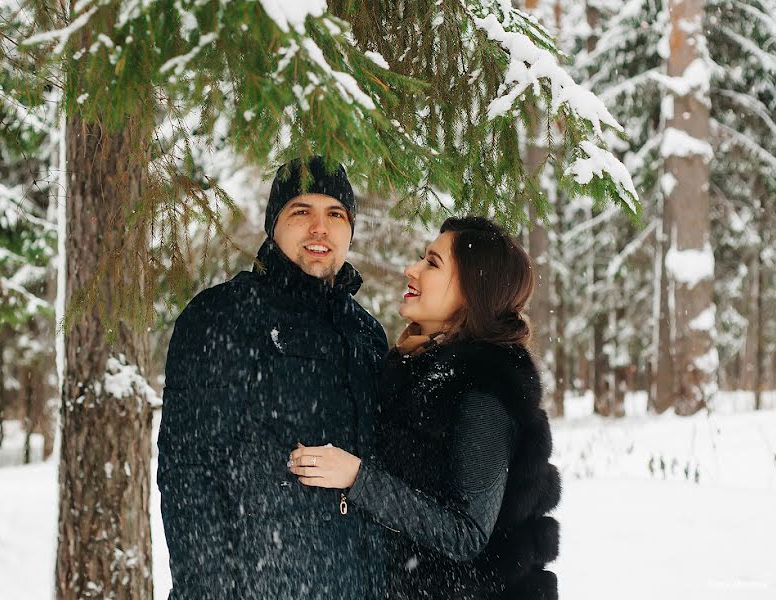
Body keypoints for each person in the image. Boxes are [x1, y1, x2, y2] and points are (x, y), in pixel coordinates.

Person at [288, 216, 561, 599]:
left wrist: (357, 477)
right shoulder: (419, 368)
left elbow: (466, 533)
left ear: (472, 290)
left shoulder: (483, 388)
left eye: (432, 263)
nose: (410, 269)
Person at [158, 156, 388, 599]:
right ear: (273, 224)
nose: (320, 228)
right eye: (302, 211)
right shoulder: (221, 317)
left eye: (335, 214)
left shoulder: (366, 333)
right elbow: (188, 474)